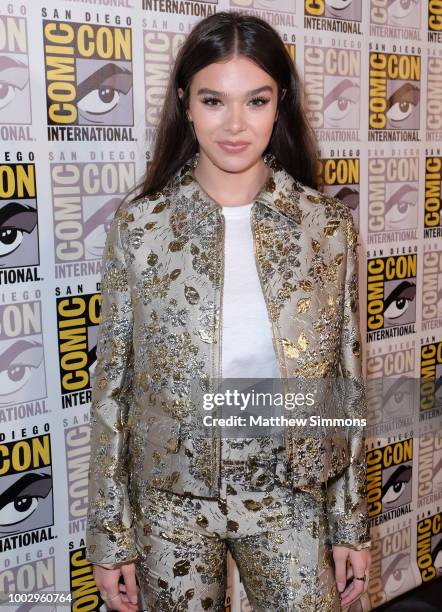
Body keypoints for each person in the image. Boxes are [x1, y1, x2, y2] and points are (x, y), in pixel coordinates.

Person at [85, 11, 372, 612]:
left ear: (280, 105)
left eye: (257, 101)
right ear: (186, 104)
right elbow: (112, 386)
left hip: (289, 488)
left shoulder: (326, 228)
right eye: (215, 100)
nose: (236, 124)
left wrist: (349, 523)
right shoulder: (142, 228)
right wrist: (111, 536)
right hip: (171, 498)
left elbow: (345, 385)